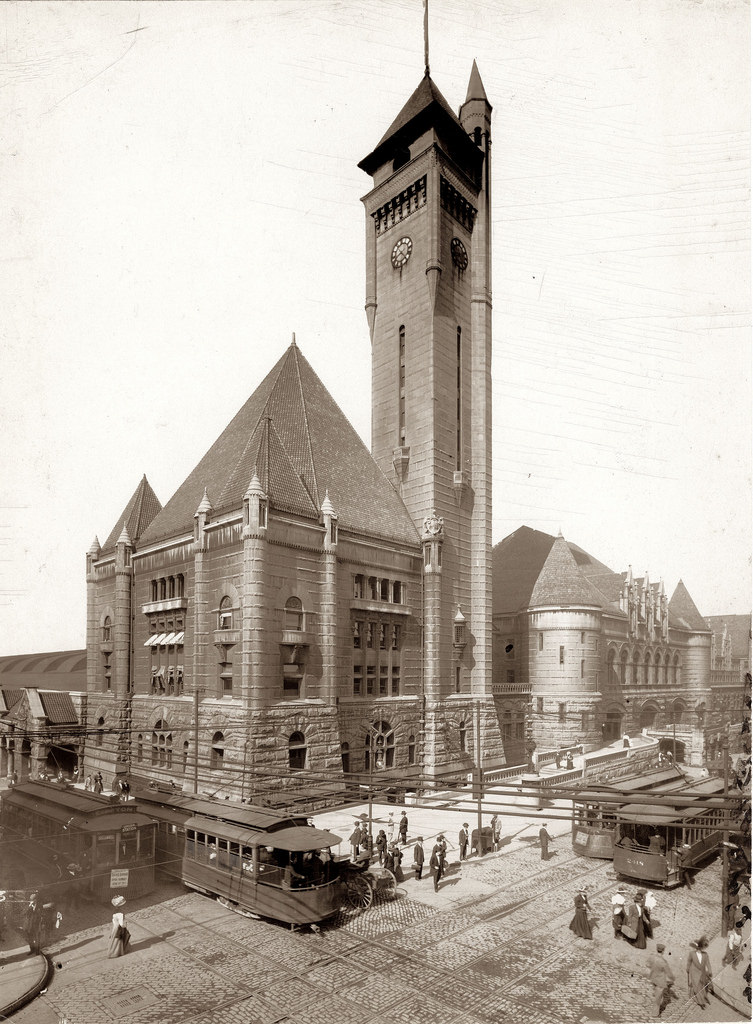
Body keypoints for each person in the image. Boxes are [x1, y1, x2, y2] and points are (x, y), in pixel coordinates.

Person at [647, 943, 675, 1018]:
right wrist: (672, 978)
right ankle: (655, 1014)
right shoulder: (663, 962)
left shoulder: (652, 957)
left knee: (657, 993)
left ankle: (655, 995)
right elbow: (668, 973)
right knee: (658, 998)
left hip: (653, 978)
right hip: (660, 981)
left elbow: (648, 965)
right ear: (663, 951)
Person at [686, 937, 713, 1007]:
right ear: (696, 948)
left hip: (702, 973)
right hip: (694, 972)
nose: (700, 950)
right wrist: (687, 968)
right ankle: (701, 1002)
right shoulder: (692, 954)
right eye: (699, 948)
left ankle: (701, 998)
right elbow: (689, 961)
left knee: (701, 986)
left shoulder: (705, 955)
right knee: (697, 987)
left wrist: (710, 971)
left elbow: (708, 963)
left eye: (701, 948)